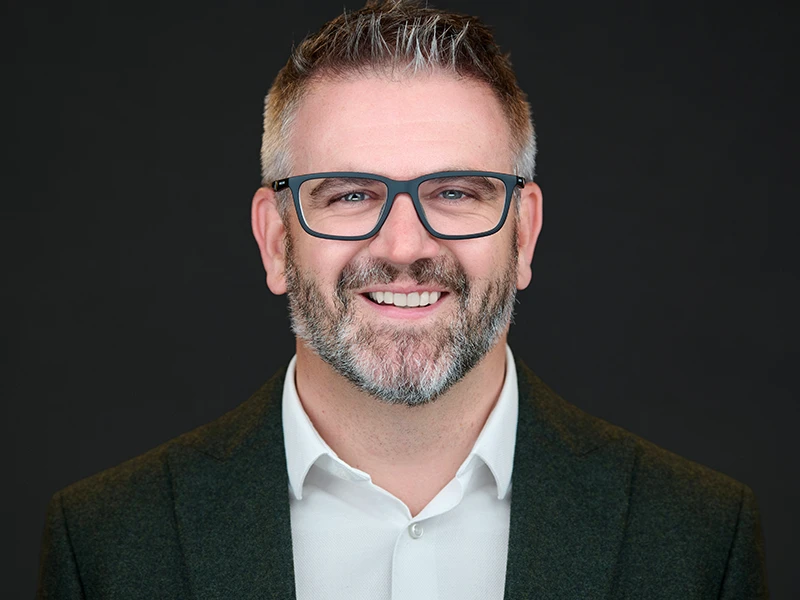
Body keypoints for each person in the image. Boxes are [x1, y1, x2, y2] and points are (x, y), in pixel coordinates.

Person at [36, 1, 768, 598]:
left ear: (526, 233)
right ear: (273, 240)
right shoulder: (105, 544)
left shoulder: (699, 538)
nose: (404, 246)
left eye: (454, 192)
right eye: (352, 194)